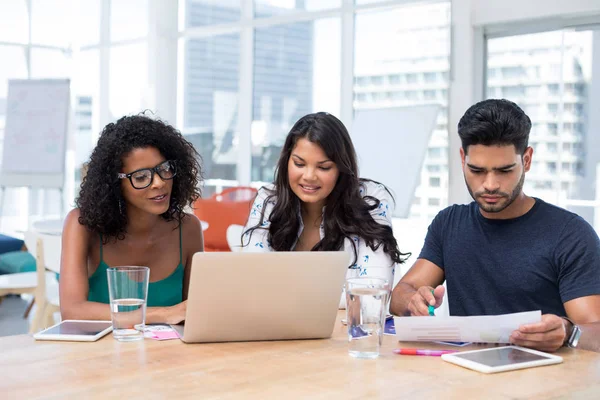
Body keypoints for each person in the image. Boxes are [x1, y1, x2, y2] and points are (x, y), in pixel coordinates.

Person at [390, 99, 600, 352]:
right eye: (477, 170)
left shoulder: (569, 234)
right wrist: (413, 300)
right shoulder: (448, 224)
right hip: (466, 379)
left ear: (527, 160)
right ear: (462, 159)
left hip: (543, 383)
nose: (490, 184)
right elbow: (400, 294)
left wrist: (568, 331)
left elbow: (595, 331)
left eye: (504, 171)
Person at [242, 112, 409, 306]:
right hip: (283, 331)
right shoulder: (269, 200)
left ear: (341, 168)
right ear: (287, 161)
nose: (309, 176)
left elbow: (372, 294)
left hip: (355, 333)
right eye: (299, 164)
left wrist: (286, 297)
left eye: (324, 167)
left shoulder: (369, 200)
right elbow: (252, 284)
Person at [60, 115, 204, 324]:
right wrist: (162, 314)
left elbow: (194, 311)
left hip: (170, 354)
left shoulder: (188, 228)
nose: (159, 183)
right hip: (99, 354)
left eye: (164, 169)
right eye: (141, 177)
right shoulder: (82, 225)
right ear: (114, 184)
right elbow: (72, 311)